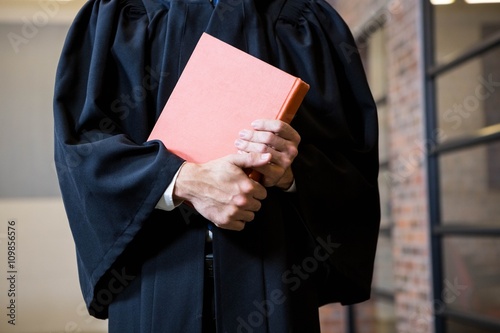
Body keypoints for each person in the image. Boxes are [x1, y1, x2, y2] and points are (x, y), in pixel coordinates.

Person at [53, 0, 381, 332]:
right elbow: (82, 150)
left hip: (275, 284)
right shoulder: (122, 14)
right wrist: (181, 180)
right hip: (155, 285)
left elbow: (352, 164)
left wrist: (291, 173)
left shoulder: (305, 20)